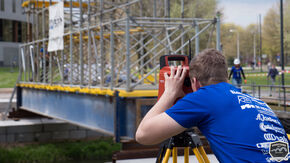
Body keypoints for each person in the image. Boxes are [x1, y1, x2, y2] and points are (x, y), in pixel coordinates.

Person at [136, 49, 290, 162]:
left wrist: (169, 93)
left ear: (195, 82)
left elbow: (143, 135)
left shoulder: (204, 97)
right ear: (226, 76)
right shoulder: (256, 101)